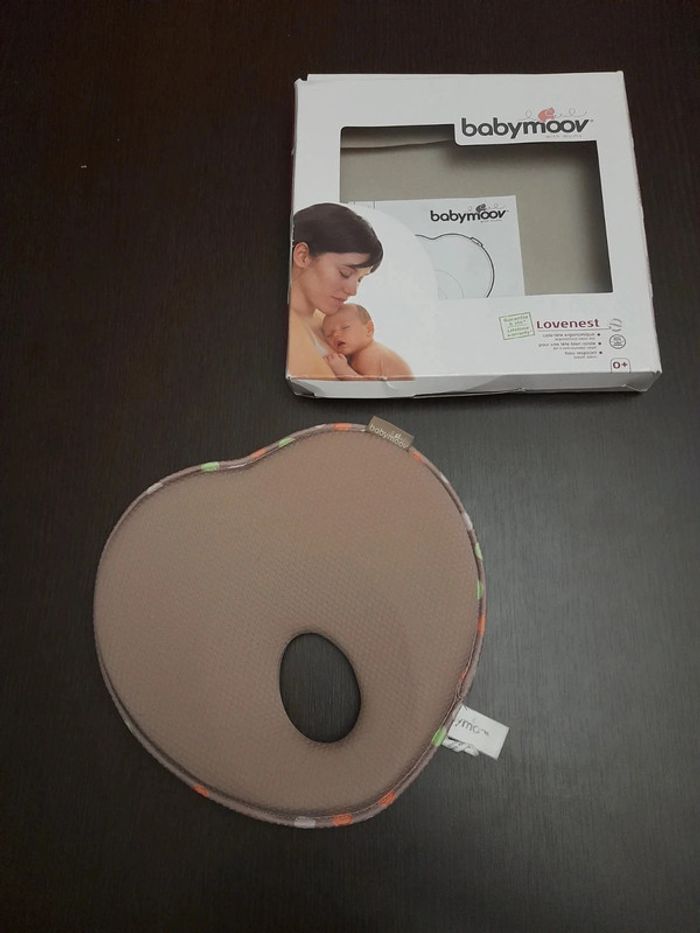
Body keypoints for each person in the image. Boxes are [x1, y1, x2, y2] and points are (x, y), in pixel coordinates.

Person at [287, 203, 383, 379]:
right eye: (345, 273)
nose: (353, 291)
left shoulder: (326, 321)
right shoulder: (288, 327)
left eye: (360, 279)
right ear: (303, 256)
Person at [322, 304, 413, 380]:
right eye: (329, 334)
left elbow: (370, 389)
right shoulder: (358, 354)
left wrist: (343, 370)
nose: (335, 335)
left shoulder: (368, 355)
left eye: (345, 327)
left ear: (368, 329)